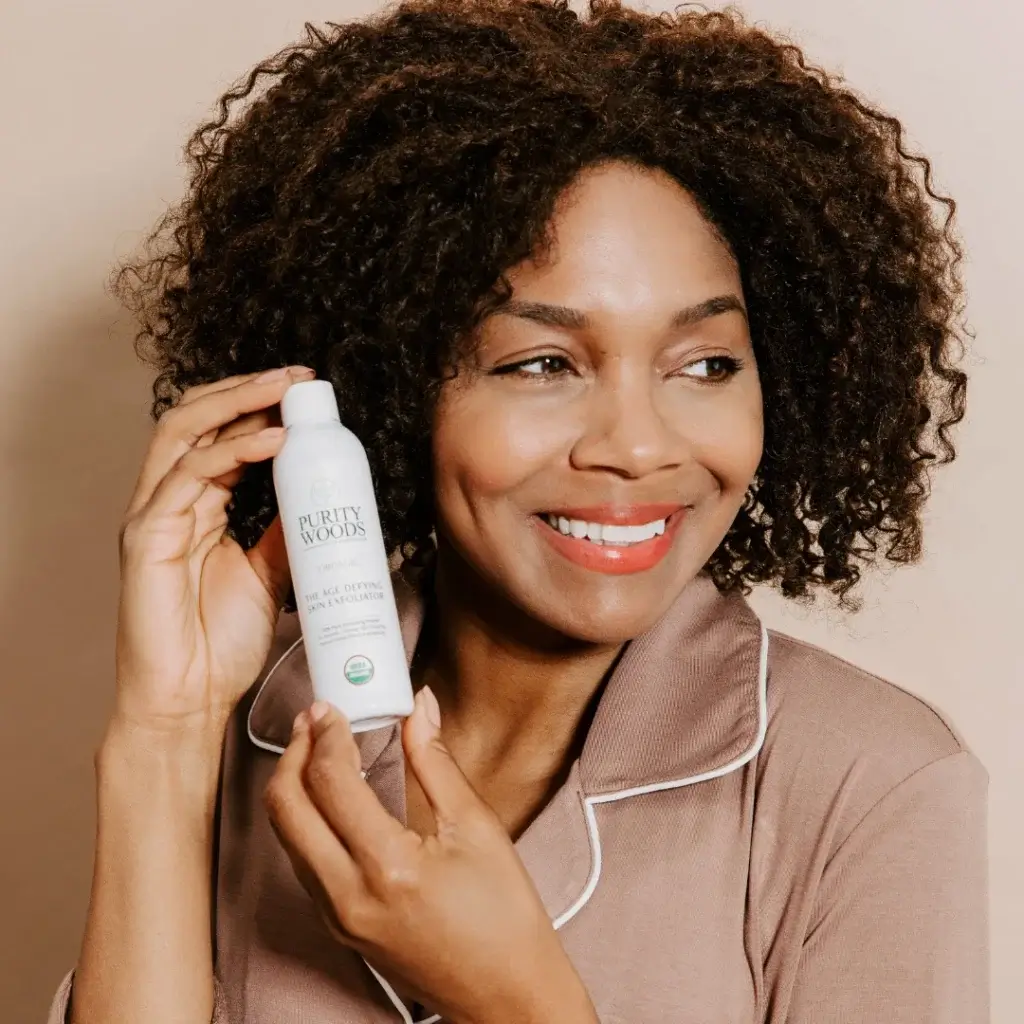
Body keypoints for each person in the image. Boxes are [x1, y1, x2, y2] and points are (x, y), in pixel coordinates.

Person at [49, 1, 988, 1021]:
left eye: (706, 363)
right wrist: (166, 730)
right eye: (542, 362)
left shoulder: (872, 784)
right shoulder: (245, 731)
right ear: (396, 386)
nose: (636, 444)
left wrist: (519, 1001)